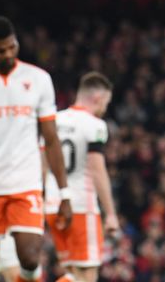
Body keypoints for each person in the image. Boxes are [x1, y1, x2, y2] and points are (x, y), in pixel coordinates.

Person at [0, 16, 72, 282]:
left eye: (12, 46)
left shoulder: (38, 79)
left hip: (25, 183)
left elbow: (51, 138)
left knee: (30, 257)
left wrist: (64, 193)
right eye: (0, 50)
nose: (8, 53)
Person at [43, 72, 119, 282]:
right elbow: (97, 169)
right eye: (107, 102)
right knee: (87, 276)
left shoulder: (53, 121)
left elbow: (42, 163)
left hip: (52, 205)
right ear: (98, 98)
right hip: (81, 207)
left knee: (72, 273)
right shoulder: (95, 125)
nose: (105, 108)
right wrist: (111, 213)